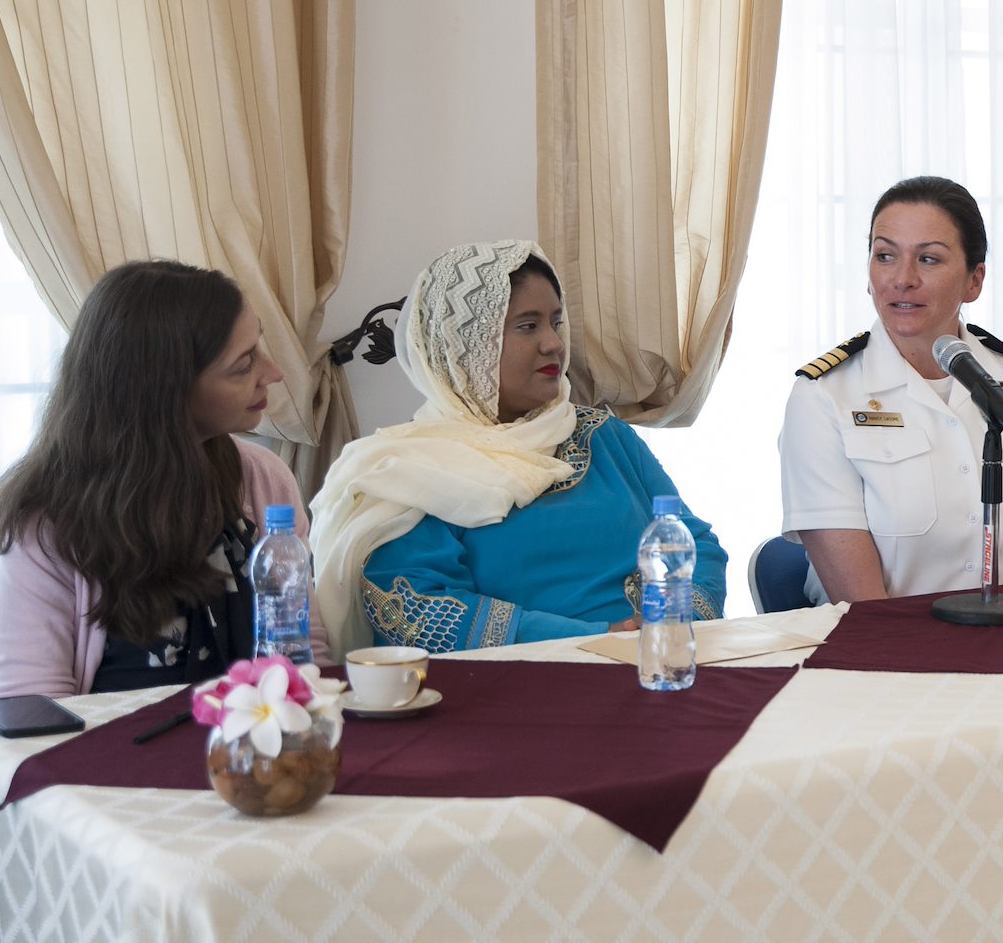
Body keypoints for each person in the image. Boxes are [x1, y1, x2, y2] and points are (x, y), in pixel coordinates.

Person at [311, 241, 726, 652]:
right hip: (521, 686)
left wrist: (673, 620)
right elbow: (417, 606)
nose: (554, 344)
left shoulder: (604, 436)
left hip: (661, 663)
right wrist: (597, 638)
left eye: (556, 322)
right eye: (528, 326)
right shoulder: (412, 469)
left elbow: (694, 541)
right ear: (467, 346)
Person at [0, 261, 329, 698]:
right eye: (243, 365)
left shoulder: (264, 481)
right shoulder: (46, 522)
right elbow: (29, 713)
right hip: (102, 764)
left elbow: (308, 661)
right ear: (165, 392)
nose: (274, 372)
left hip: (251, 759)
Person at [780, 176, 1003, 602]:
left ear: (974, 281)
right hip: (881, 657)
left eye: (929, 260)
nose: (902, 279)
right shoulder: (824, 397)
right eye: (885, 256)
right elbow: (864, 611)